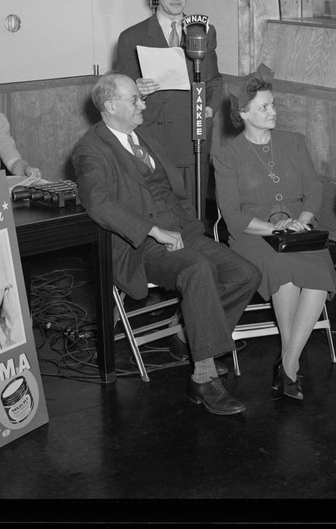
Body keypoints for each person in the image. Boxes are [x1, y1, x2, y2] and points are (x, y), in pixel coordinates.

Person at [72, 73, 260, 416]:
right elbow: (99, 203)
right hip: (140, 246)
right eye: (135, 99)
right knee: (197, 269)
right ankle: (202, 378)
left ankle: (188, 337)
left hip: (182, 232)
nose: (143, 104)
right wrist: (153, 231)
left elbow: (170, 186)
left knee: (244, 273)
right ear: (111, 106)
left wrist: (187, 224)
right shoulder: (90, 150)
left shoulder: (144, 135)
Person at [211, 64, 336, 401]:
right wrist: (273, 227)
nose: (273, 111)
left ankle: (288, 362)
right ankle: (290, 368)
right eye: (264, 107)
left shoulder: (294, 141)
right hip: (252, 234)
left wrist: (303, 220)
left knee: (319, 271)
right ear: (243, 113)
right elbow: (232, 215)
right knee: (283, 270)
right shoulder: (227, 156)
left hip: (299, 227)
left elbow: (314, 190)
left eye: (273, 104)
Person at [115, 0, 223, 211]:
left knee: (194, 216)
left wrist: (208, 111)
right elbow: (119, 92)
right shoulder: (132, 37)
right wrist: (135, 87)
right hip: (152, 140)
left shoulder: (205, 31)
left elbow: (214, 80)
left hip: (192, 139)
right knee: (159, 214)